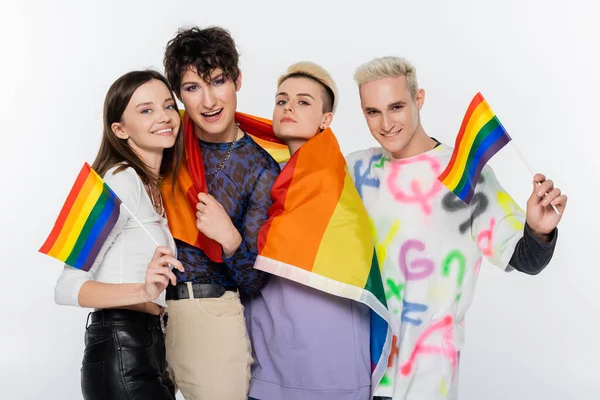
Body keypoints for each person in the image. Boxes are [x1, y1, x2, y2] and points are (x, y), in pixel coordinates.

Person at [346, 56, 568, 400]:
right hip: (357, 369)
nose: (386, 123)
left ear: (419, 100)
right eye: (373, 112)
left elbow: (524, 258)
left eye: (397, 106)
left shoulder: (465, 174)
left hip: (428, 378)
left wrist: (539, 231)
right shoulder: (356, 169)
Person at [159, 26, 280, 399]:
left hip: (211, 316)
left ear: (237, 81)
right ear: (179, 95)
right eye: (193, 88)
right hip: (144, 313)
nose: (209, 100)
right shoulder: (165, 140)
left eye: (218, 81)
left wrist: (228, 237)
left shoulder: (259, 167)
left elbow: (255, 281)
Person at [245, 62, 378, 400]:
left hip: (331, 369)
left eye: (303, 102)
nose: (289, 107)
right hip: (272, 360)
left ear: (326, 119)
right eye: (281, 100)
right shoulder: (263, 175)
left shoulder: (331, 179)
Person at [53, 70, 185, 399]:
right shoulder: (117, 180)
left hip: (152, 347)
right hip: (121, 349)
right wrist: (142, 288)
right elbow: (66, 287)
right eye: (146, 110)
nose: (164, 117)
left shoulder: (153, 186)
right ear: (119, 129)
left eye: (168, 106)